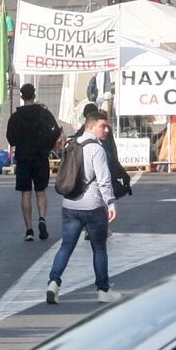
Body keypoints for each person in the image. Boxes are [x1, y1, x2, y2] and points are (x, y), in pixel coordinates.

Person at [46, 109, 121, 305]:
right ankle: (103, 290)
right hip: (93, 205)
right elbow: (104, 180)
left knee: (66, 246)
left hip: (70, 204)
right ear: (90, 126)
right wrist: (110, 203)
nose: (106, 130)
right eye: (102, 126)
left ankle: (54, 282)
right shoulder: (97, 149)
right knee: (99, 248)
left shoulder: (72, 144)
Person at [6, 83, 63, 242]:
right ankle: (42, 218)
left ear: (22, 96)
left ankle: (29, 229)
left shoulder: (16, 117)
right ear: (34, 95)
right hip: (40, 156)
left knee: (25, 192)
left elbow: (11, 139)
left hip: (24, 156)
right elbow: (55, 130)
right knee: (40, 191)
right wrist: (47, 145)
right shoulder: (43, 113)